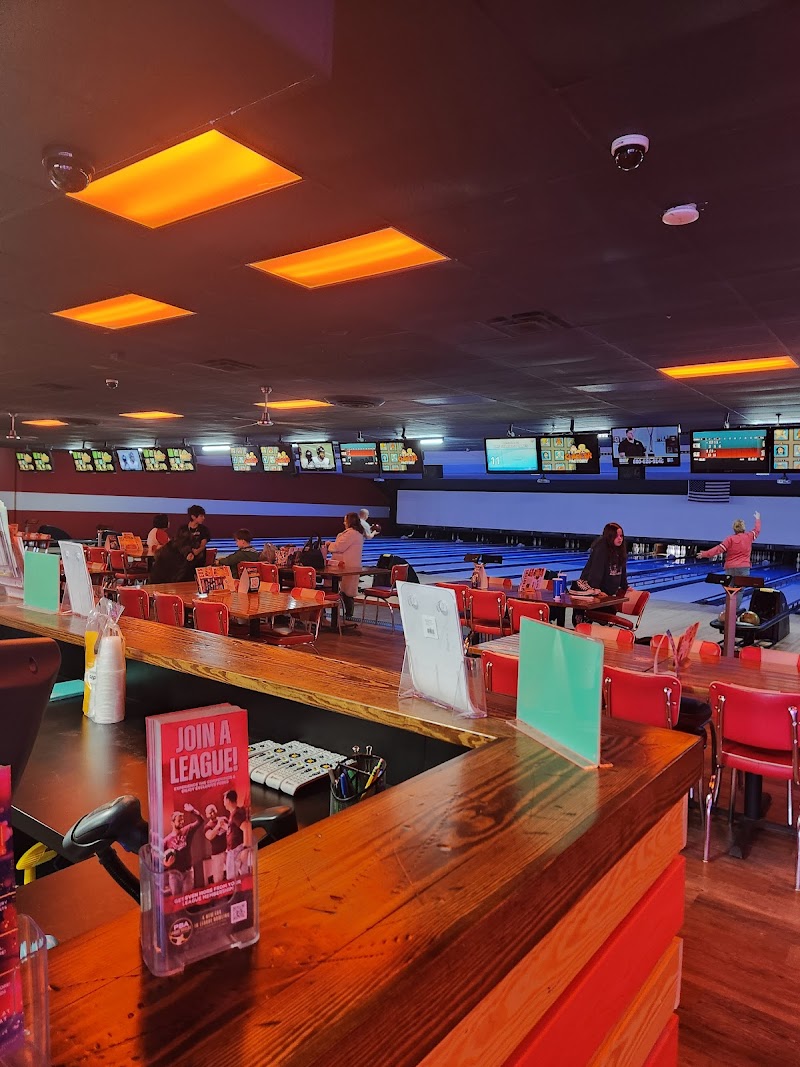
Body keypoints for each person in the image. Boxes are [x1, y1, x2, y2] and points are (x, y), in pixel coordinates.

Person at [697, 512, 761, 606]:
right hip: (743, 567)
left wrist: (704, 554)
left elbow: (718, 549)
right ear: (744, 528)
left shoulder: (729, 539)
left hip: (730, 567)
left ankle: (729, 611)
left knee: (730, 590)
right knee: (739, 590)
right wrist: (757, 519)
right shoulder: (749, 536)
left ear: (734, 528)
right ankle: (734, 611)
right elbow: (757, 530)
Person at [573, 522, 628, 623]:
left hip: (605, 592)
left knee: (609, 612)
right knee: (588, 617)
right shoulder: (601, 548)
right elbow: (596, 571)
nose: (620, 539)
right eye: (616, 536)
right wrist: (596, 589)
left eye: (621, 536)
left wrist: (625, 586)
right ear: (609, 536)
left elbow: (622, 571)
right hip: (588, 588)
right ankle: (581, 620)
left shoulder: (620, 550)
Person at [325, 513, 364, 620]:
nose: (344, 522)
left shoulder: (351, 533)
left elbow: (339, 547)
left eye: (345, 520)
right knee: (346, 590)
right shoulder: (355, 533)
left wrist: (328, 544)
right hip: (346, 565)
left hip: (347, 566)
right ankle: (347, 615)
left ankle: (347, 615)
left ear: (350, 521)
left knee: (346, 590)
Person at [163, 804, 203, 898]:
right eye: (179, 820)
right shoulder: (166, 841)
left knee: (188, 899)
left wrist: (193, 811)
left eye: (182, 820)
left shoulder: (187, 830)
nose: (182, 822)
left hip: (188, 872)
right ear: (172, 822)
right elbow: (160, 859)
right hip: (174, 874)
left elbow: (200, 821)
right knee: (177, 899)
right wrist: (166, 864)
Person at [223, 789, 250, 880]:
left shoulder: (235, 814)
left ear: (227, 800)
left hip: (235, 849)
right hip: (237, 848)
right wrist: (226, 827)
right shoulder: (235, 813)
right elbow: (236, 829)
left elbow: (246, 828)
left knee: (231, 879)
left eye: (224, 800)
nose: (224, 803)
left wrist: (245, 849)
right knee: (243, 876)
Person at [203, 803, 229, 885]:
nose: (212, 813)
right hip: (217, 853)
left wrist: (225, 825)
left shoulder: (224, 819)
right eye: (210, 813)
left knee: (233, 871)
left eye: (213, 811)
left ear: (216, 810)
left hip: (228, 850)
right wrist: (218, 826)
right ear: (207, 815)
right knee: (218, 877)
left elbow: (231, 830)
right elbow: (210, 836)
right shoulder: (207, 827)